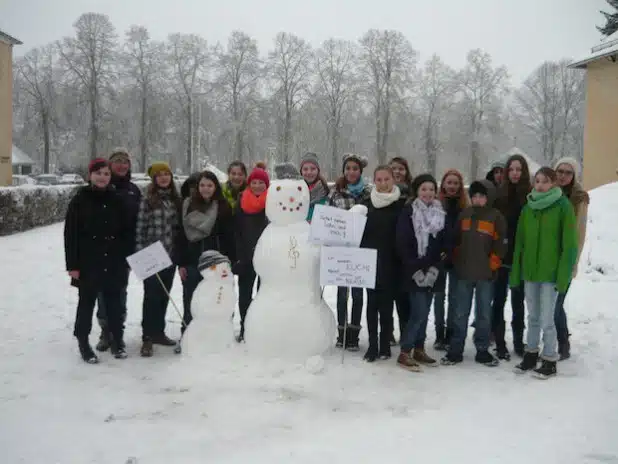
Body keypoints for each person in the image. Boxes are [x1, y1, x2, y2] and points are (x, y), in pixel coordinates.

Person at [511, 167, 577, 379]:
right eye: (537, 181)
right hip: (530, 272)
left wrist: (563, 275)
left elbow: (569, 245)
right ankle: (531, 354)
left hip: (550, 274)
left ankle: (549, 359)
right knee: (533, 317)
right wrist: (516, 272)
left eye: (545, 181)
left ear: (554, 184)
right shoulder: (528, 208)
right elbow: (519, 242)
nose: (540, 185)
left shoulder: (563, 207)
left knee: (548, 318)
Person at [64, 158, 131, 363]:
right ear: (90, 175)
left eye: (106, 174)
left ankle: (117, 340)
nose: (102, 177)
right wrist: (73, 265)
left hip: (114, 260)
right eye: (98, 173)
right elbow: (71, 234)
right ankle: (83, 342)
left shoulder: (117, 199)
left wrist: (126, 258)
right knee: (87, 303)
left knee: (114, 304)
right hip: (88, 261)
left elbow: (126, 232)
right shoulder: (80, 199)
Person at [440, 180, 507, 367]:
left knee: (484, 314)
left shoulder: (496, 217)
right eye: (475, 196)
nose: (478, 200)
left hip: (485, 275)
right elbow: (456, 240)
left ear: (489, 197)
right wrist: (455, 258)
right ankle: (455, 350)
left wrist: (493, 264)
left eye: (482, 196)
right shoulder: (465, 215)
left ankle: (482, 349)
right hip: (464, 274)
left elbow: (501, 243)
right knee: (460, 313)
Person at [396, 174, 447, 371]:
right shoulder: (408, 212)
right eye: (424, 189)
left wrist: (435, 263)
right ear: (417, 191)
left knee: (425, 313)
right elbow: (402, 243)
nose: (428, 193)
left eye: (431, 189)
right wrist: (417, 266)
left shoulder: (440, 212)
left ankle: (419, 348)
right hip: (414, 270)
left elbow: (444, 241)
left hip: (433, 270)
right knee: (418, 312)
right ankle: (405, 351)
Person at [95, 148, 142, 352]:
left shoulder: (134, 190)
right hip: (101, 251)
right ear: (110, 165)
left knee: (120, 293)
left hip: (125, 251)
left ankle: (117, 332)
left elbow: (140, 220)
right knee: (102, 293)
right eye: (117, 162)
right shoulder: (101, 187)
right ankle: (105, 331)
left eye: (125, 162)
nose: (122, 165)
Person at [176, 171, 236, 332]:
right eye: (202, 185)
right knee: (191, 299)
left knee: (217, 299)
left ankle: (218, 334)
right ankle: (188, 334)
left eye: (209, 185)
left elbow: (229, 237)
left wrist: (229, 262)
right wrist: (181, 263)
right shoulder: (187, 205)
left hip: (216, 263)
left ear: (215, 187)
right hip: (191, 260)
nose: (206, 189)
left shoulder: (223, 207)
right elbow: (180, 236)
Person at [135, 162, 182, 357]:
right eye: (159, 175)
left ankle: (158, 332)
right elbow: (140, 227)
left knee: (164, 295)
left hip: (169, 256)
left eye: (167, 174)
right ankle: (147, 337)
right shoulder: (147, 199)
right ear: (154, 179)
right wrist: (140, 252)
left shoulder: (175, 199)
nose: (164, 178)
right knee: (151, 296)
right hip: (151, 255)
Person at [360, 165, 406, 362]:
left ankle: (385, 344)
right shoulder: (365, 204)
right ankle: (372, 345)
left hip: (392, 262)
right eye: (379, 180)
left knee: (387, 306)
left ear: (393, 180)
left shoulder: (401, 205)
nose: (383, 183)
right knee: (371, 305)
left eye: (386, 179)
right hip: (369, 261)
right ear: (374, 181)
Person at [329, 153, 372, 351]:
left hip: (362, 250)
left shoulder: (369, 193)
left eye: (355, 168)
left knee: (358, 295)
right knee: (341, 294)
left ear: (360, 171)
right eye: (348, 168)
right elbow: (328, 219)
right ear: (343, 171)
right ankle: (342, 333)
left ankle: (354, 334)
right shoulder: (335, 192)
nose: (351, 172)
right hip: (342, 251)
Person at [492, 154, 532, 359]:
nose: (515, 173)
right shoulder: (499, 196)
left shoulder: (531, 196)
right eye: (512, 169)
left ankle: (518, 341)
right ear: (507, 172)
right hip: (502, 258)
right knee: (498, 301)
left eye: (519, 169)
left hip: (522, 258)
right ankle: (499, 342)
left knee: (518, 302)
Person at [553, 157, 589, 360]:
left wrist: (573, 262)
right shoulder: (550, 193)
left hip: (566, 258)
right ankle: (558, 337)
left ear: (574, 175)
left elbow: (579, 233)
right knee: (552, 304)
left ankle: (563, 342)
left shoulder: (579, 198)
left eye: (568, 172)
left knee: (556, 304)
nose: (563, 176)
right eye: (560, 171)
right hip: (549, 258)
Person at [433, 169, 469, 350]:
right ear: (443, 185)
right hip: (439, 258)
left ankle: (451, 333)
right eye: (449, 183)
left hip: (457, 258)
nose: (452, 186)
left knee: (455, 298)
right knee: (439, 298)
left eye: (456, 183)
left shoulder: (465, 208)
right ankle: (439, 333)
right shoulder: (436, 205)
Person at [234, 162, 270, 342]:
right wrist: (239, 255)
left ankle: (261, 328)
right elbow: (235, 230)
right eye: (254, 182)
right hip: (246, 256)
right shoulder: (241, 200)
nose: (257, 186)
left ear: (267, 184)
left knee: (264, 295)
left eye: (261, 183)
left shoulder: (272, 202)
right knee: (245, 295)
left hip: (265, 257)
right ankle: (244, 327)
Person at [388, 156, 414, 344]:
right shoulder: (382, 194)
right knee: (387, 296)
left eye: (401, 169)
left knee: (405, 298)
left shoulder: (413, 195)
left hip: (407, 253)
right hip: (387, 250)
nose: (397, 172)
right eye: (393, 169)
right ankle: (387, 332)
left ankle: (406, 333)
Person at [299, 152, 330, 222]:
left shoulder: (326, 191)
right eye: (305, 169)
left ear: (318, 171)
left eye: (313, 169)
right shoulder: (296, 191)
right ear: (301, 172)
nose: (309, 172)